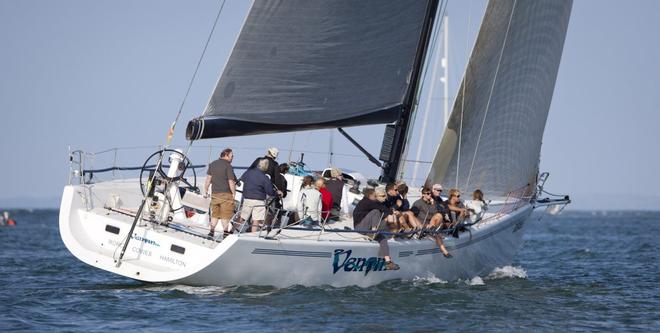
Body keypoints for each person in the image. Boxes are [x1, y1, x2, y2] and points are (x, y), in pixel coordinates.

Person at [352, 188, 400, 270]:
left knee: (382, 238)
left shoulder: (370, 202)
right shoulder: (367, 202)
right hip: (360, 227)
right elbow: (382, 209)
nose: (376, 197)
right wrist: (393, 211)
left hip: (366, 228)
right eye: (375, 196)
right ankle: (374, 231)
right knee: (376, 211)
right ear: (370, 196)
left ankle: (388, 262)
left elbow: (383, 209)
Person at [204, 148, 237, 238]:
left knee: (215, 214)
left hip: (215, 194)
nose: (232, 157)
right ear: (226, 155)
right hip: (226, 195)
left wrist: (206, 189)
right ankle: (225, 234)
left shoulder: (213, 164)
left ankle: (211, 231)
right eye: (231, 156)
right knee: (225, 216)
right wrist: (234, 193)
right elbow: (231, 181)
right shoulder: (228, 166)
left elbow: (208, 179)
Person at [411, 188, 451, 257]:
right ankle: (445, 252)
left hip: (431, 223)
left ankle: (432, 232)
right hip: (422, 223)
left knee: (439, 215)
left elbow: (434, 213)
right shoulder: (418, 203)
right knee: (436, 233)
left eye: (430, 194)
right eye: (428, 194)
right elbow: (413, 215)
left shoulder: (432, 203)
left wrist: (432, 204)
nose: (430, 195)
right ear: (423, 195)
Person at [239, 159, 276, 232]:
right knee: (256, 219)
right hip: (259, 200)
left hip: (247, 198)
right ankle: (253, 235)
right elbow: (270, 192)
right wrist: (276, 193)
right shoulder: (264, 178)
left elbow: (242, 179)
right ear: (265, 167)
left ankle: (230, 231)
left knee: (242, 217)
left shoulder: (248, 172)